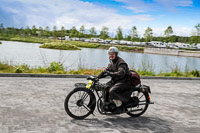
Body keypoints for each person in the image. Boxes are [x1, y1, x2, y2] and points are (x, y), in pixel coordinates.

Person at [97, 46, 133, 114]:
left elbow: (121, 73)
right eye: (110, 54)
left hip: (125, 81)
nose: (111, 55)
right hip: (117, 80)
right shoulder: (112, 63)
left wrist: (111, 74)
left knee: (112, 91)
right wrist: (97, 77)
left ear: (116, 54)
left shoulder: (121, 62)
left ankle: (120, 108)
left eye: (113, 54)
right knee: (105, 87)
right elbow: (105, 71)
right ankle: (110, 104)